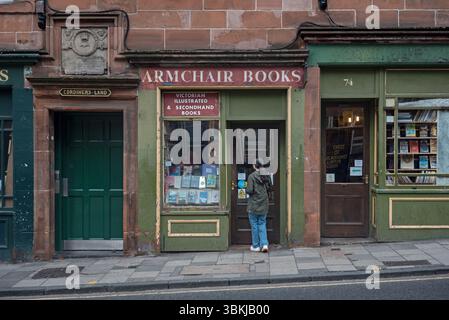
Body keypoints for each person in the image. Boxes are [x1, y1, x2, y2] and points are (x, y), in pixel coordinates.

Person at [246, 159, 272, 253]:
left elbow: (249, 190)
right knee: (262, 223)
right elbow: (270, 188)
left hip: (253, 205)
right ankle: (264, 244)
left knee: (254, 225)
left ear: (254, 166)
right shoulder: (267, 176)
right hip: (264, 204)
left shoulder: (251, 176)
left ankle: (256, 246)